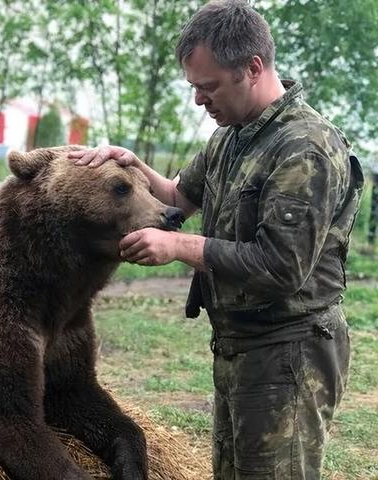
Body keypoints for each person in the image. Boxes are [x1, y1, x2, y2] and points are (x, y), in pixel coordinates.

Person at [69, 1, 364, 478]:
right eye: (193, 88)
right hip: (239, 346)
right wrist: (132, 165)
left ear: (252, 68)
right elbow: (176, 197)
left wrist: (179, 247)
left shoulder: (303, 148)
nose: (199, 101)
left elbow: (280, 267)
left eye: (207, 87)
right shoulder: (232, 135)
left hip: (287, 351)